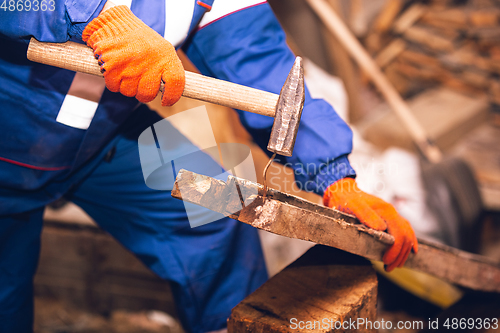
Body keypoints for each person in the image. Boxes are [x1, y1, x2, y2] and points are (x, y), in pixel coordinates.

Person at [0, 0, 418, 332]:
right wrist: (94, 16)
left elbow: (258, 61)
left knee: (219, 206)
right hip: (8, 140)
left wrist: (335, 177)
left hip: (107, 133)